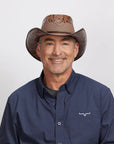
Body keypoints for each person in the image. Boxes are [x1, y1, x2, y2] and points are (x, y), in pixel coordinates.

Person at [0, 14, 114, 144]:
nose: (57, 52)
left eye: (65, 43)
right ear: (39, 49)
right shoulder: (17, 101)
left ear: (75, 49)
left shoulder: (101, 96)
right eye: (49, 43)